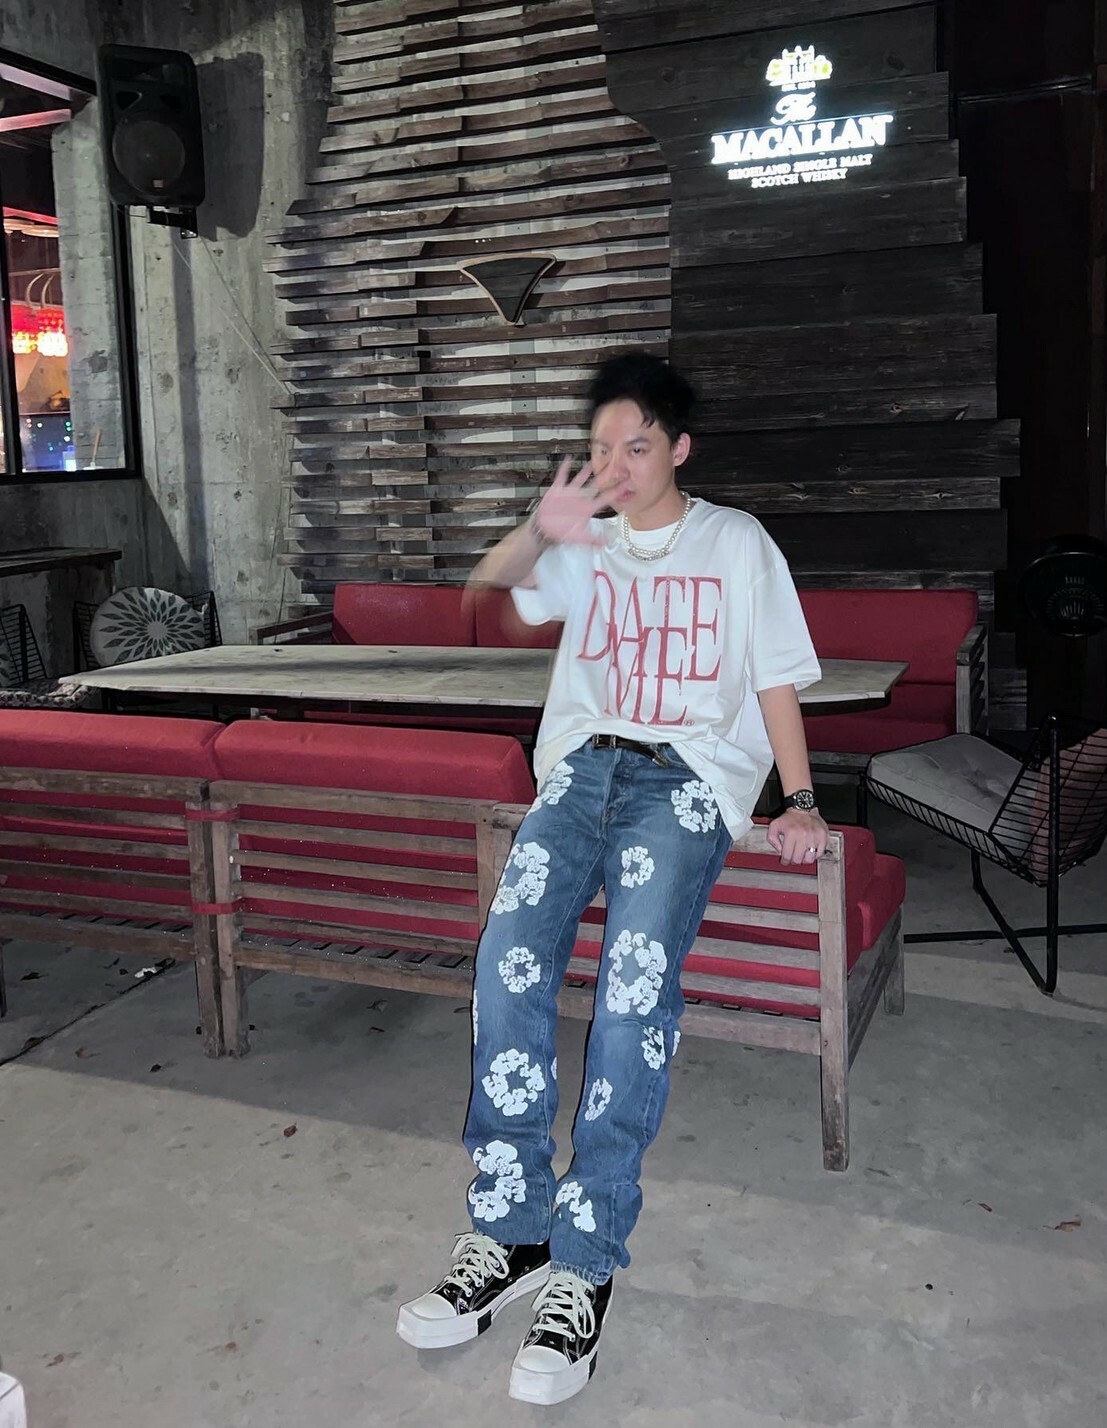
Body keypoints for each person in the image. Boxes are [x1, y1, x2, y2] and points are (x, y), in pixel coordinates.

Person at [396, 351, 827, 1405]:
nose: (617, 465)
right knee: (505, 964)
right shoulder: (585, 545)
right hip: (582, 772)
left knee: (633, 991)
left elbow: (774, 675)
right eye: (601, 448)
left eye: (637, 446)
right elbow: (489, 598)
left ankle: (584, 1257)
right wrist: (541, 531)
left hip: (684, 779)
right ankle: (510, 1230)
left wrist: (802, 798)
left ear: (679, 449)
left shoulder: (735, 541)